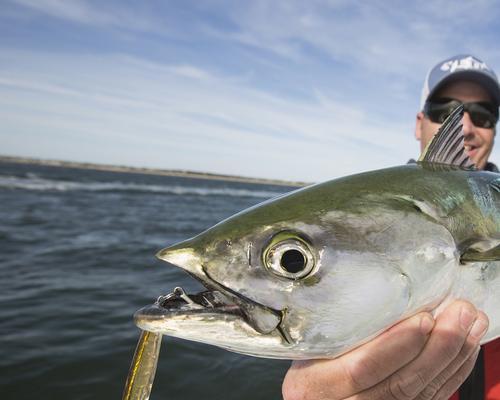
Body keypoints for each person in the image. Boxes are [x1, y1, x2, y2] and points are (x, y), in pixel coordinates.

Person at [282, 54, 500, 400]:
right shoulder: (361, 211)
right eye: (445, 112)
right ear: (419, 122)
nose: (466, 128)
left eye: (485, 116)